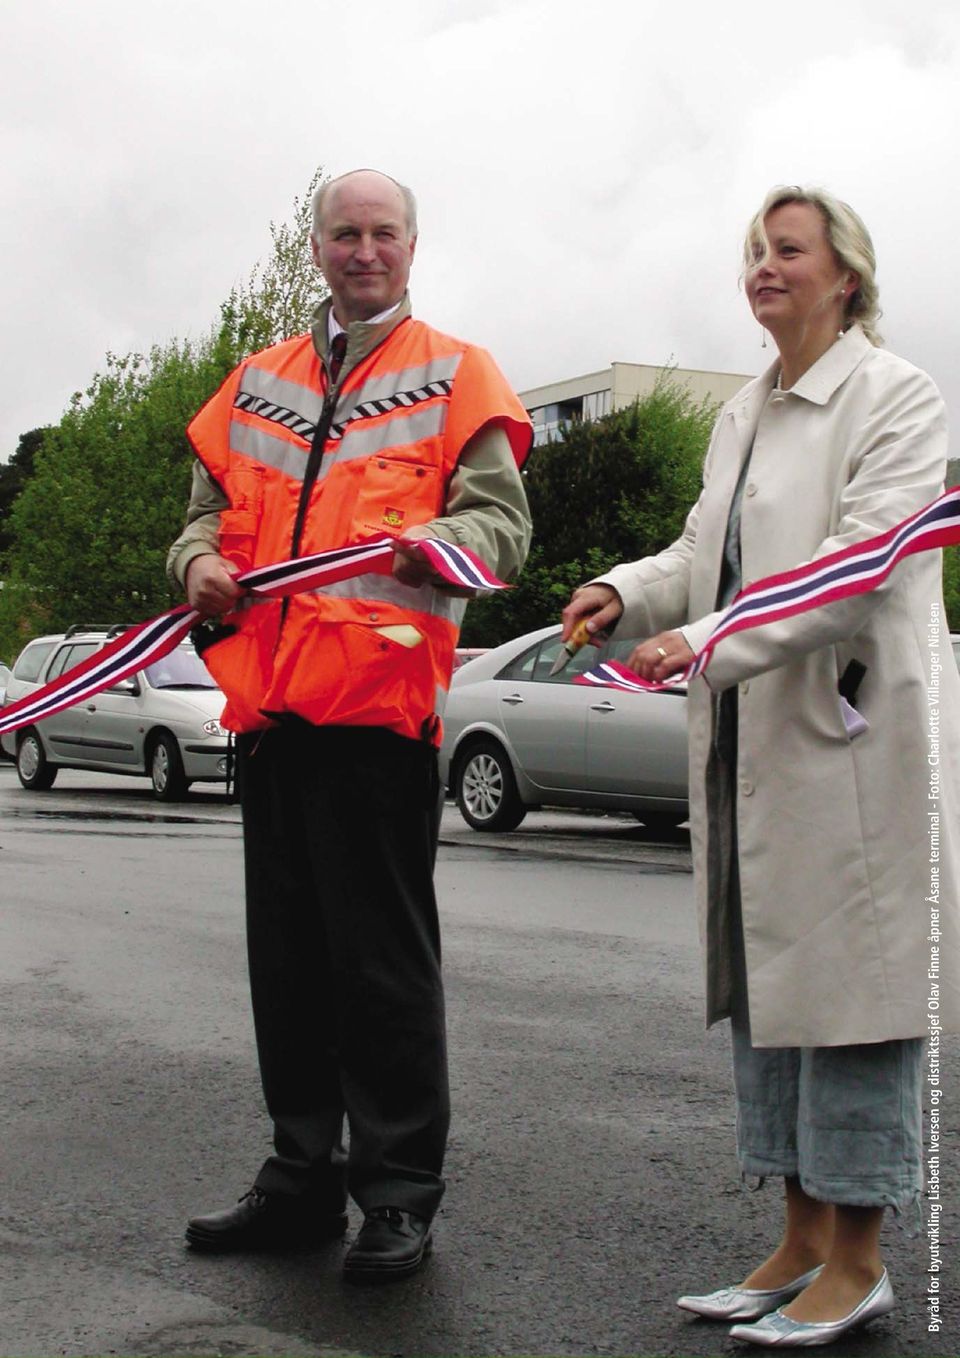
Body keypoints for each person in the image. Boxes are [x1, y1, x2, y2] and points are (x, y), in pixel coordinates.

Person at [562, 185, 959, 1346]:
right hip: (753, 742)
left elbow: (859, 563)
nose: (764, 266)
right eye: (754, 251)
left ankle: (862, 1258)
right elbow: (704, 549)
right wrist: (629, 591)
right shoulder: (743, 412)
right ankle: (795, 1239)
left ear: (847, 275)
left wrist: (705, 638)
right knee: (772, 995)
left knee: (858, 1007)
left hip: (850, 746)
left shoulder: (898, 397)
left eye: (788, 249)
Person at [168, 168, 532, 1281]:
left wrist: (436, 543)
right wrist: (199, 568)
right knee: (287, 963)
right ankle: (299, 1176)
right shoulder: (257, 382)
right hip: (272, 716)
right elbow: (197, 524)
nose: (362, 249)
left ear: (411, 246)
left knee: (381, 970)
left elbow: (503, 533)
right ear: (316, 247)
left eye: (382, 233)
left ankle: (396, 1193)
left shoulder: (459, 374)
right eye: (344, 233)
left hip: (378, 722)